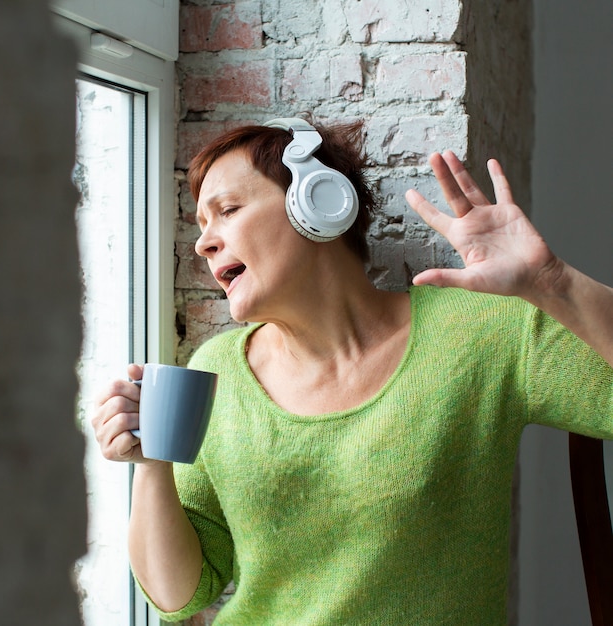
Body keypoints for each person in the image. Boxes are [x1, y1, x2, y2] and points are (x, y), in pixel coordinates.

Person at [92, 117, 613, 625]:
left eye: (227, 210)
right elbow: (177, 595)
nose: (204, 244)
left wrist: (553, 283)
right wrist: (150, 465)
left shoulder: (482, 333)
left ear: (317, 203)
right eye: (201, 226)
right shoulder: (215, 371)